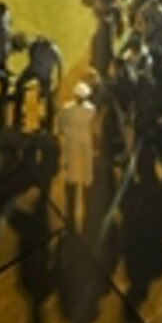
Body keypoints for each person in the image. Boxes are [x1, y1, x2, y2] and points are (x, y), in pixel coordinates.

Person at [57, 81, 97, 232]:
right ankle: (88, 179)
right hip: (85, 137)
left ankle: (72, 179)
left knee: (71, 161)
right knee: (87, 159)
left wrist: (62, 130)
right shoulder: (91, 109)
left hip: (72, 137)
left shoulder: (68, 109)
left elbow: (61, 122)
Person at [13, 35, 62, 131]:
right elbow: (60, 68)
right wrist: (57, 84)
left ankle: (18, 117)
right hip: (43, 75)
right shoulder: (55, 51)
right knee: (48, 99)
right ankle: (49, 124)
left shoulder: (35, 44)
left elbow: (31, 60)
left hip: (37, 72)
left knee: (19, 84)